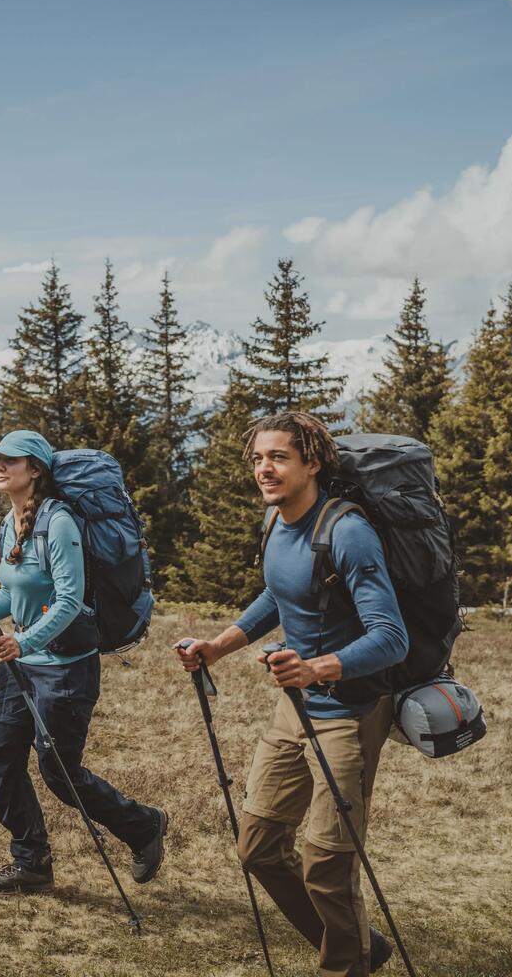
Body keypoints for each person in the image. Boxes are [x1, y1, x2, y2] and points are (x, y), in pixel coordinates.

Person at [176, 412, 407, 977]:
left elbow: (391, 637)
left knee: (326, 862)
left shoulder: (347, 532)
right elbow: (280, 594)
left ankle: (342, 966)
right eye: (258, 458)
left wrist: (318, 668)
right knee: (257, 847)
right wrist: (217, 646)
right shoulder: (277, 521)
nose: (264, 468)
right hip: (295, 708)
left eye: (278, 457)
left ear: (313, 463)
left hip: (349, 712)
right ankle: (358, 947)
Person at [0, 429, 167, 893]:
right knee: (0, 758)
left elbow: (69, 600)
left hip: (65, 667)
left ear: (35, 470)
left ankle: (144, 826)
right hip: (20, 665)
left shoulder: (59, 522)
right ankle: (31, 861)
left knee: (59, 771)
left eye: (11, 460)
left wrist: (24, 641)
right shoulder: (11, 520)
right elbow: (11, 591)